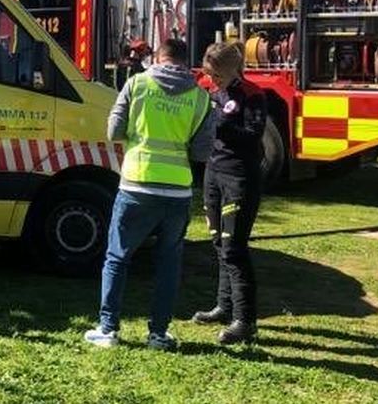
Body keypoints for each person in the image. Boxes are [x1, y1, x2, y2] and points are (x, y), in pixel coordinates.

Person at [85, 37, 216, 350]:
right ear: (186, 62)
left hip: (136, 184)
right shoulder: (200, 98)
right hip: (177, 191)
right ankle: (158, 334)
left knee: (118, 257)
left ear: (158, 57)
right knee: (169, 264)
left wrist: (137, 135)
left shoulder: (136, 84)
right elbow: (201, 153)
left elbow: (113, 132)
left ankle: (109, 329)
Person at [192, 41, 267, 344]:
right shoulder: (209, 90)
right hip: (214, 172)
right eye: (210, 76)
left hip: (240, 177)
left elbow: (253, 136)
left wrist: (219, 125)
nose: (212, 81)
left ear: (232, 70)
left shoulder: (252, 95)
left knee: (235, 248)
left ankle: (245, 321)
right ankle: (224, 306)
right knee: (218, 243)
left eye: (217, 77)